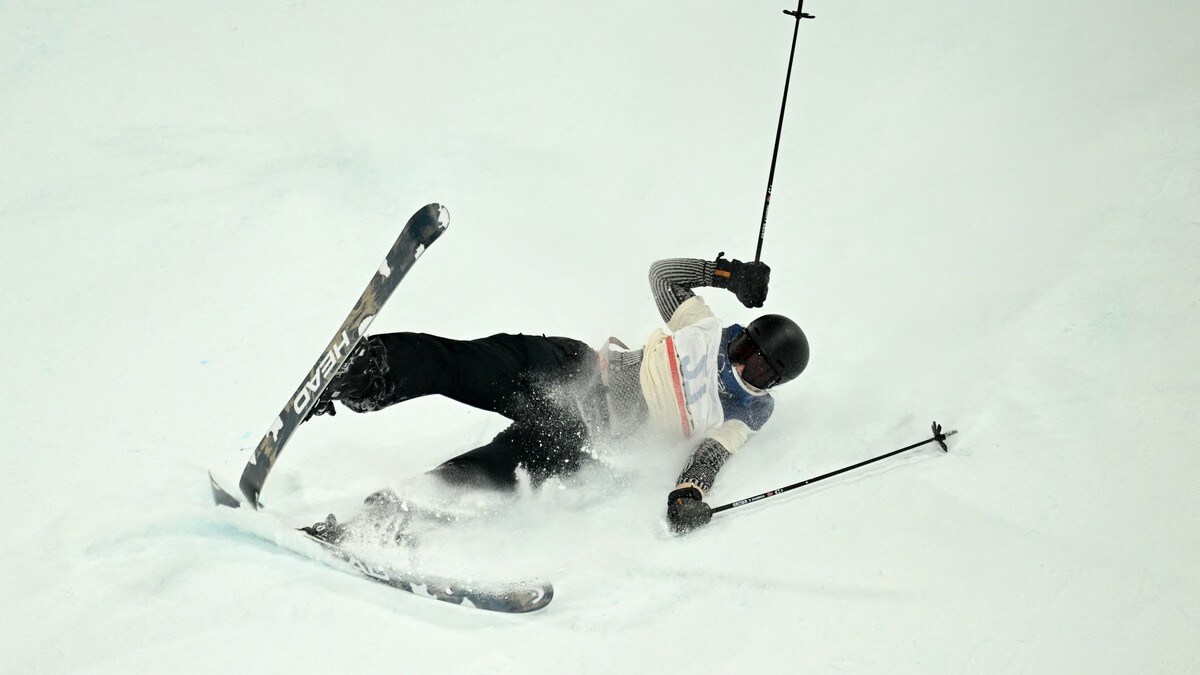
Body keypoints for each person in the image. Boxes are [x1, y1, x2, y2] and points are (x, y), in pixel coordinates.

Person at [301, 252, 809, 542]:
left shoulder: (747, 410)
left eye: (759, 366)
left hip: (582, 433)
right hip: (578, 372)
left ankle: (372, 523)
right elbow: (662, 276)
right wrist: (727, 275)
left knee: (482, 477)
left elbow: (709, 456)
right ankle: (363, 373)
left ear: (772, 381)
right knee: (468, 367)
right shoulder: (706, 327)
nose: (741, 363)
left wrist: (687, 495)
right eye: (746, 347)